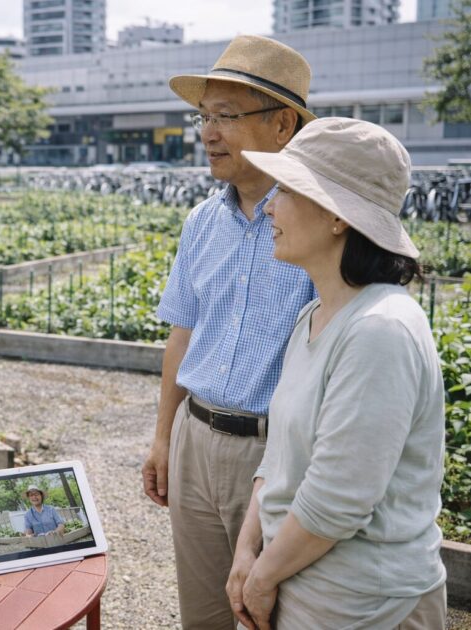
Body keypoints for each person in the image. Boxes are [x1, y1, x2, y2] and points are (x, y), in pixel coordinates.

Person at [225, 117, 446, 629]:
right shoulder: (316, 314)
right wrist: (245, 550)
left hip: (360, 603)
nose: (268, 205)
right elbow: (279, 456)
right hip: (296, 581)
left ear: (337, 217)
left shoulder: (380, 330)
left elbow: (337, 502)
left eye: (288, 190)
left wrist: (260, 579)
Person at [140, 35, 318, 628]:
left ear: (283, 125)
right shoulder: (201, 221)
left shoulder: (315, 223)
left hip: (276, 451)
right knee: (205, 613)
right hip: (196, 437)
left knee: (270, 611)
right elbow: (182, 335)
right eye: (203, 117)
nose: (208, 133)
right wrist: (165, 437)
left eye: (227, 117)